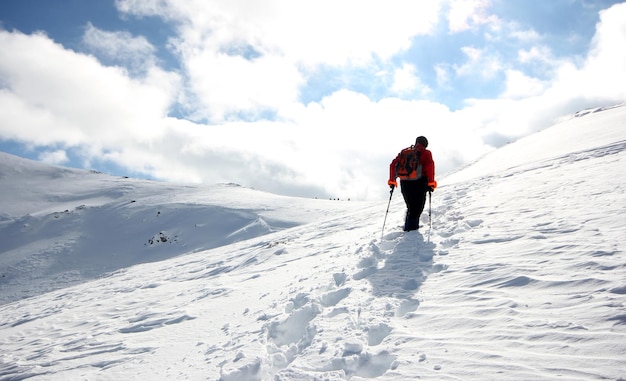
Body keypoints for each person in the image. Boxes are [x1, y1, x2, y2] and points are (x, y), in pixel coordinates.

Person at [388, 136, 437, 231]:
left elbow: (393, 165)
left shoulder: (405, 152)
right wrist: (431, 183)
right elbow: (429, 167)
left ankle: (409, 229)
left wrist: (392, 180)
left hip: (404, 182)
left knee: (410, 206)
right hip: (419, 182)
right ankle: (412, 231)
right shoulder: (426, 153)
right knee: (417, 208)